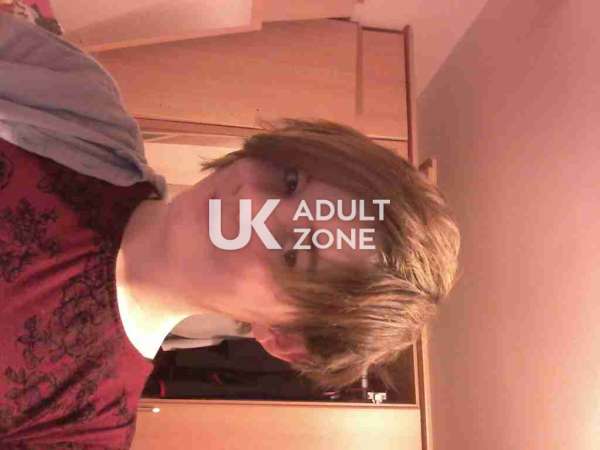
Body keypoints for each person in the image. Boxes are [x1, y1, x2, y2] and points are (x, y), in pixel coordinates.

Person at [0, 7, 460, 450]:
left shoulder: (79, 424)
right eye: (290, 180)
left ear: (283, 338)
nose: (250, 200)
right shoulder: (81, 101)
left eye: (293, 254)